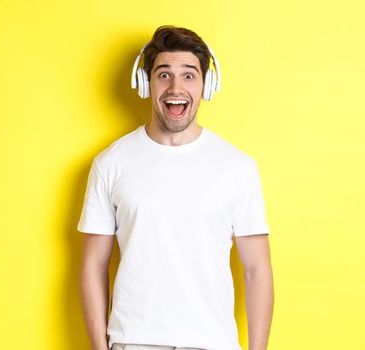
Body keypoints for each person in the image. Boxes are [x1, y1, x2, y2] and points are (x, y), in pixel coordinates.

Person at [78, 25, 273, 350]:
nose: (175, 87)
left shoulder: (238, 168)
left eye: (188, 75)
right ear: (145, 83)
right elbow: (93, 265)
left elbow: (257, 269)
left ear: (206, 84)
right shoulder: (110, 163)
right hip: (134, 343)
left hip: (213, 344)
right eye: (164, 74)